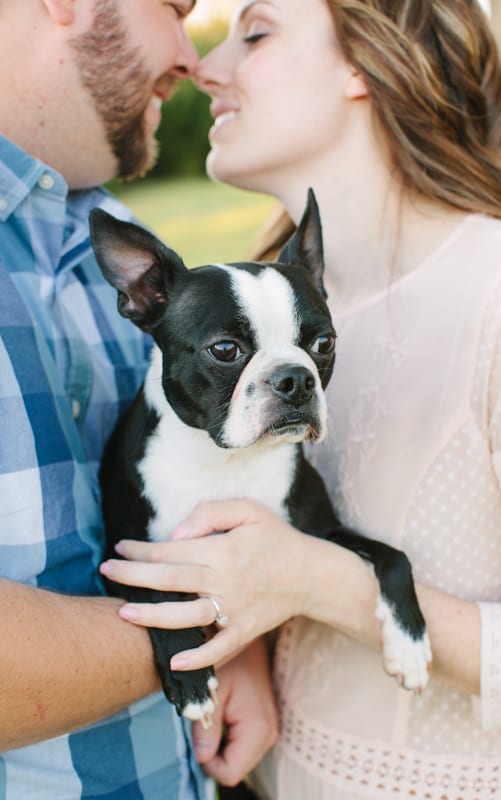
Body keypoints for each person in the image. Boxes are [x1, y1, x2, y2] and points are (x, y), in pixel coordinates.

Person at [100, 0, 501, 798]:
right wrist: (254, 648)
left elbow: (295, 565)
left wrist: (317, 582)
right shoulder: (268, 300)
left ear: (367, 67)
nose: (203, 64)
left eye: (254, 32)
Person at [0, 0, 277, 797]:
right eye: (176, 7)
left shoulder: (114, 236)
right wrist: (234, 614)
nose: (193, 59)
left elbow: (188, 473)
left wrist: (245, 654)